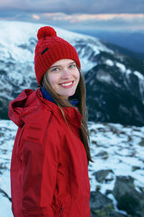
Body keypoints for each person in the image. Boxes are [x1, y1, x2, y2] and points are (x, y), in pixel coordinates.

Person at [9, 26, 92, 217]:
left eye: (71, 65)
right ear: (43, 77)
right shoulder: (44, 127)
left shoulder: (57, 110)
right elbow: (37, 205)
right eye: (56, 69)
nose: (67, 75)